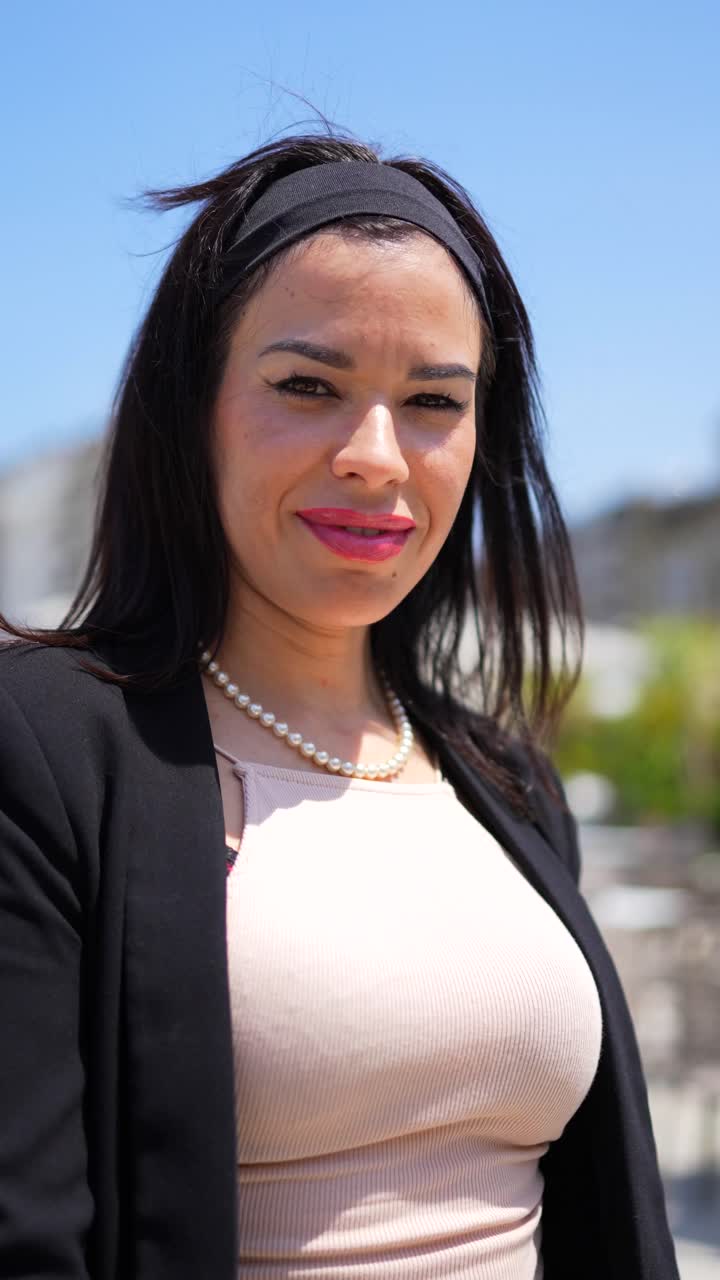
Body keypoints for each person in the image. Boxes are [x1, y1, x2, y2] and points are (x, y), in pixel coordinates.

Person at [0, 132, 679, 1280]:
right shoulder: (46, 748)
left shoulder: (503, 778)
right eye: (307, 386)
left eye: (431, 401)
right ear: (193, 408)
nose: (375, 455)